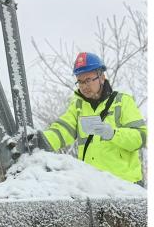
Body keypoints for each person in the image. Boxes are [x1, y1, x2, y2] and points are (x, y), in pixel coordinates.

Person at [29, 52, 147, 184]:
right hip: (93, 186)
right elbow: (63, 129)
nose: (84, 86)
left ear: (101, 77)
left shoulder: (122, 102)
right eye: (79, 81)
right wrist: (41, 141)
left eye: (88, 80)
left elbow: (141, 138)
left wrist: (113, 133)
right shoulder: (78, 106)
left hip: (125, 186)